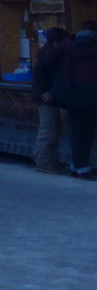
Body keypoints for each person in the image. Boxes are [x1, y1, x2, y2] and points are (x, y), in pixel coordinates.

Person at [60, 21, 97, 179]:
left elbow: (48, 57)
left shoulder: (69, 46)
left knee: (76, 133)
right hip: (92, 96)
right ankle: (82, 167)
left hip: (73, 97)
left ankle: (77, 166)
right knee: (87, 134)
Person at [33, 27, 70, 173]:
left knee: (51, 131)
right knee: (48, 131)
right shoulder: (49, 55)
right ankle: (43, 163)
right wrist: (50, 91)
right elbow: (44, 76)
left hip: (48, 96)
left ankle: (47, 161)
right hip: (46, 98)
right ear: (58, 41)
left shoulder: (48, 53)